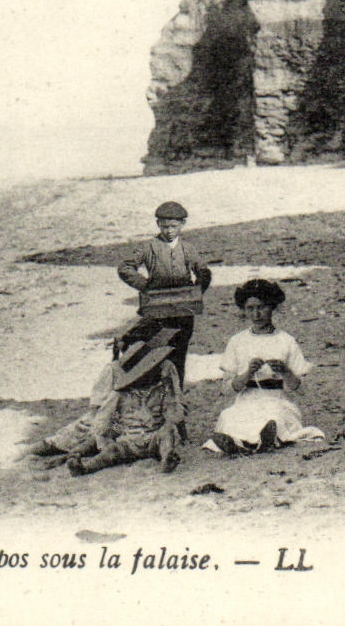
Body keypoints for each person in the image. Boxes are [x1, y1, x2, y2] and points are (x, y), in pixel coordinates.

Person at [203, 279, 324, 456]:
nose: (256, 314)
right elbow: (227, 389)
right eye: (250, 309)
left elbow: (301, 389)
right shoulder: (237, 341)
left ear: (272, 308)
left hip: (276, 399)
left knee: (274, 416)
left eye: (261, 307)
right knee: (231, 417)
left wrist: (285, 371)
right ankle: (238, 443)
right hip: (247, 399)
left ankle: (263, 440)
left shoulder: (286, 340)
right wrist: (247, 373)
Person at [25, 319, 173, 461]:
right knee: (69, 439)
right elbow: (97, 407)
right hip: (111, 418)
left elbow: (171, 400)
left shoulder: (162, 367)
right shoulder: (114, 369)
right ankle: (30, 452)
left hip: (131, 422)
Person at [61, 331, 186, 476]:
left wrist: (169, 392)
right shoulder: (119, 394)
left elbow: (175, 416)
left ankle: (166, 460)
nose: (158, 370)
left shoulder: (161, 390)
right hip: (129, 441)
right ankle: (85, 468)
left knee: (166, 434)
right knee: (111, 452)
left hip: (153, 438)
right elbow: (102, 419)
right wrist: (103, 440)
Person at [118, 201, 212, 382]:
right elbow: (125, 267)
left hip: (184, 312)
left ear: (182, 225)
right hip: (156, 310)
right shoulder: (148, 248)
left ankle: (176, 397)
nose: (169, 231)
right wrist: (145, 285)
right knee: (152, 353)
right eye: (164, 226)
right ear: (158, 224)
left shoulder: (188, 249)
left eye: (174, 226)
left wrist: (197, 290)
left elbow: (203, 270)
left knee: (178, 354)